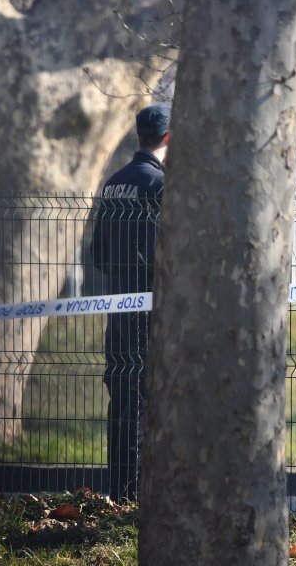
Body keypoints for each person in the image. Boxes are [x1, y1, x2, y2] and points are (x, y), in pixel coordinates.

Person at [90, 104, 170, 501]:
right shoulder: (161, 185)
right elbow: (166, 254)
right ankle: (139, 495)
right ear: (169, 138)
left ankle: (120, 491)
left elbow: (99, 256)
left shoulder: (115, 182)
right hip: (150, 307)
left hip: (117, 306)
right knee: (146, 396)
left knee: (121, 395)